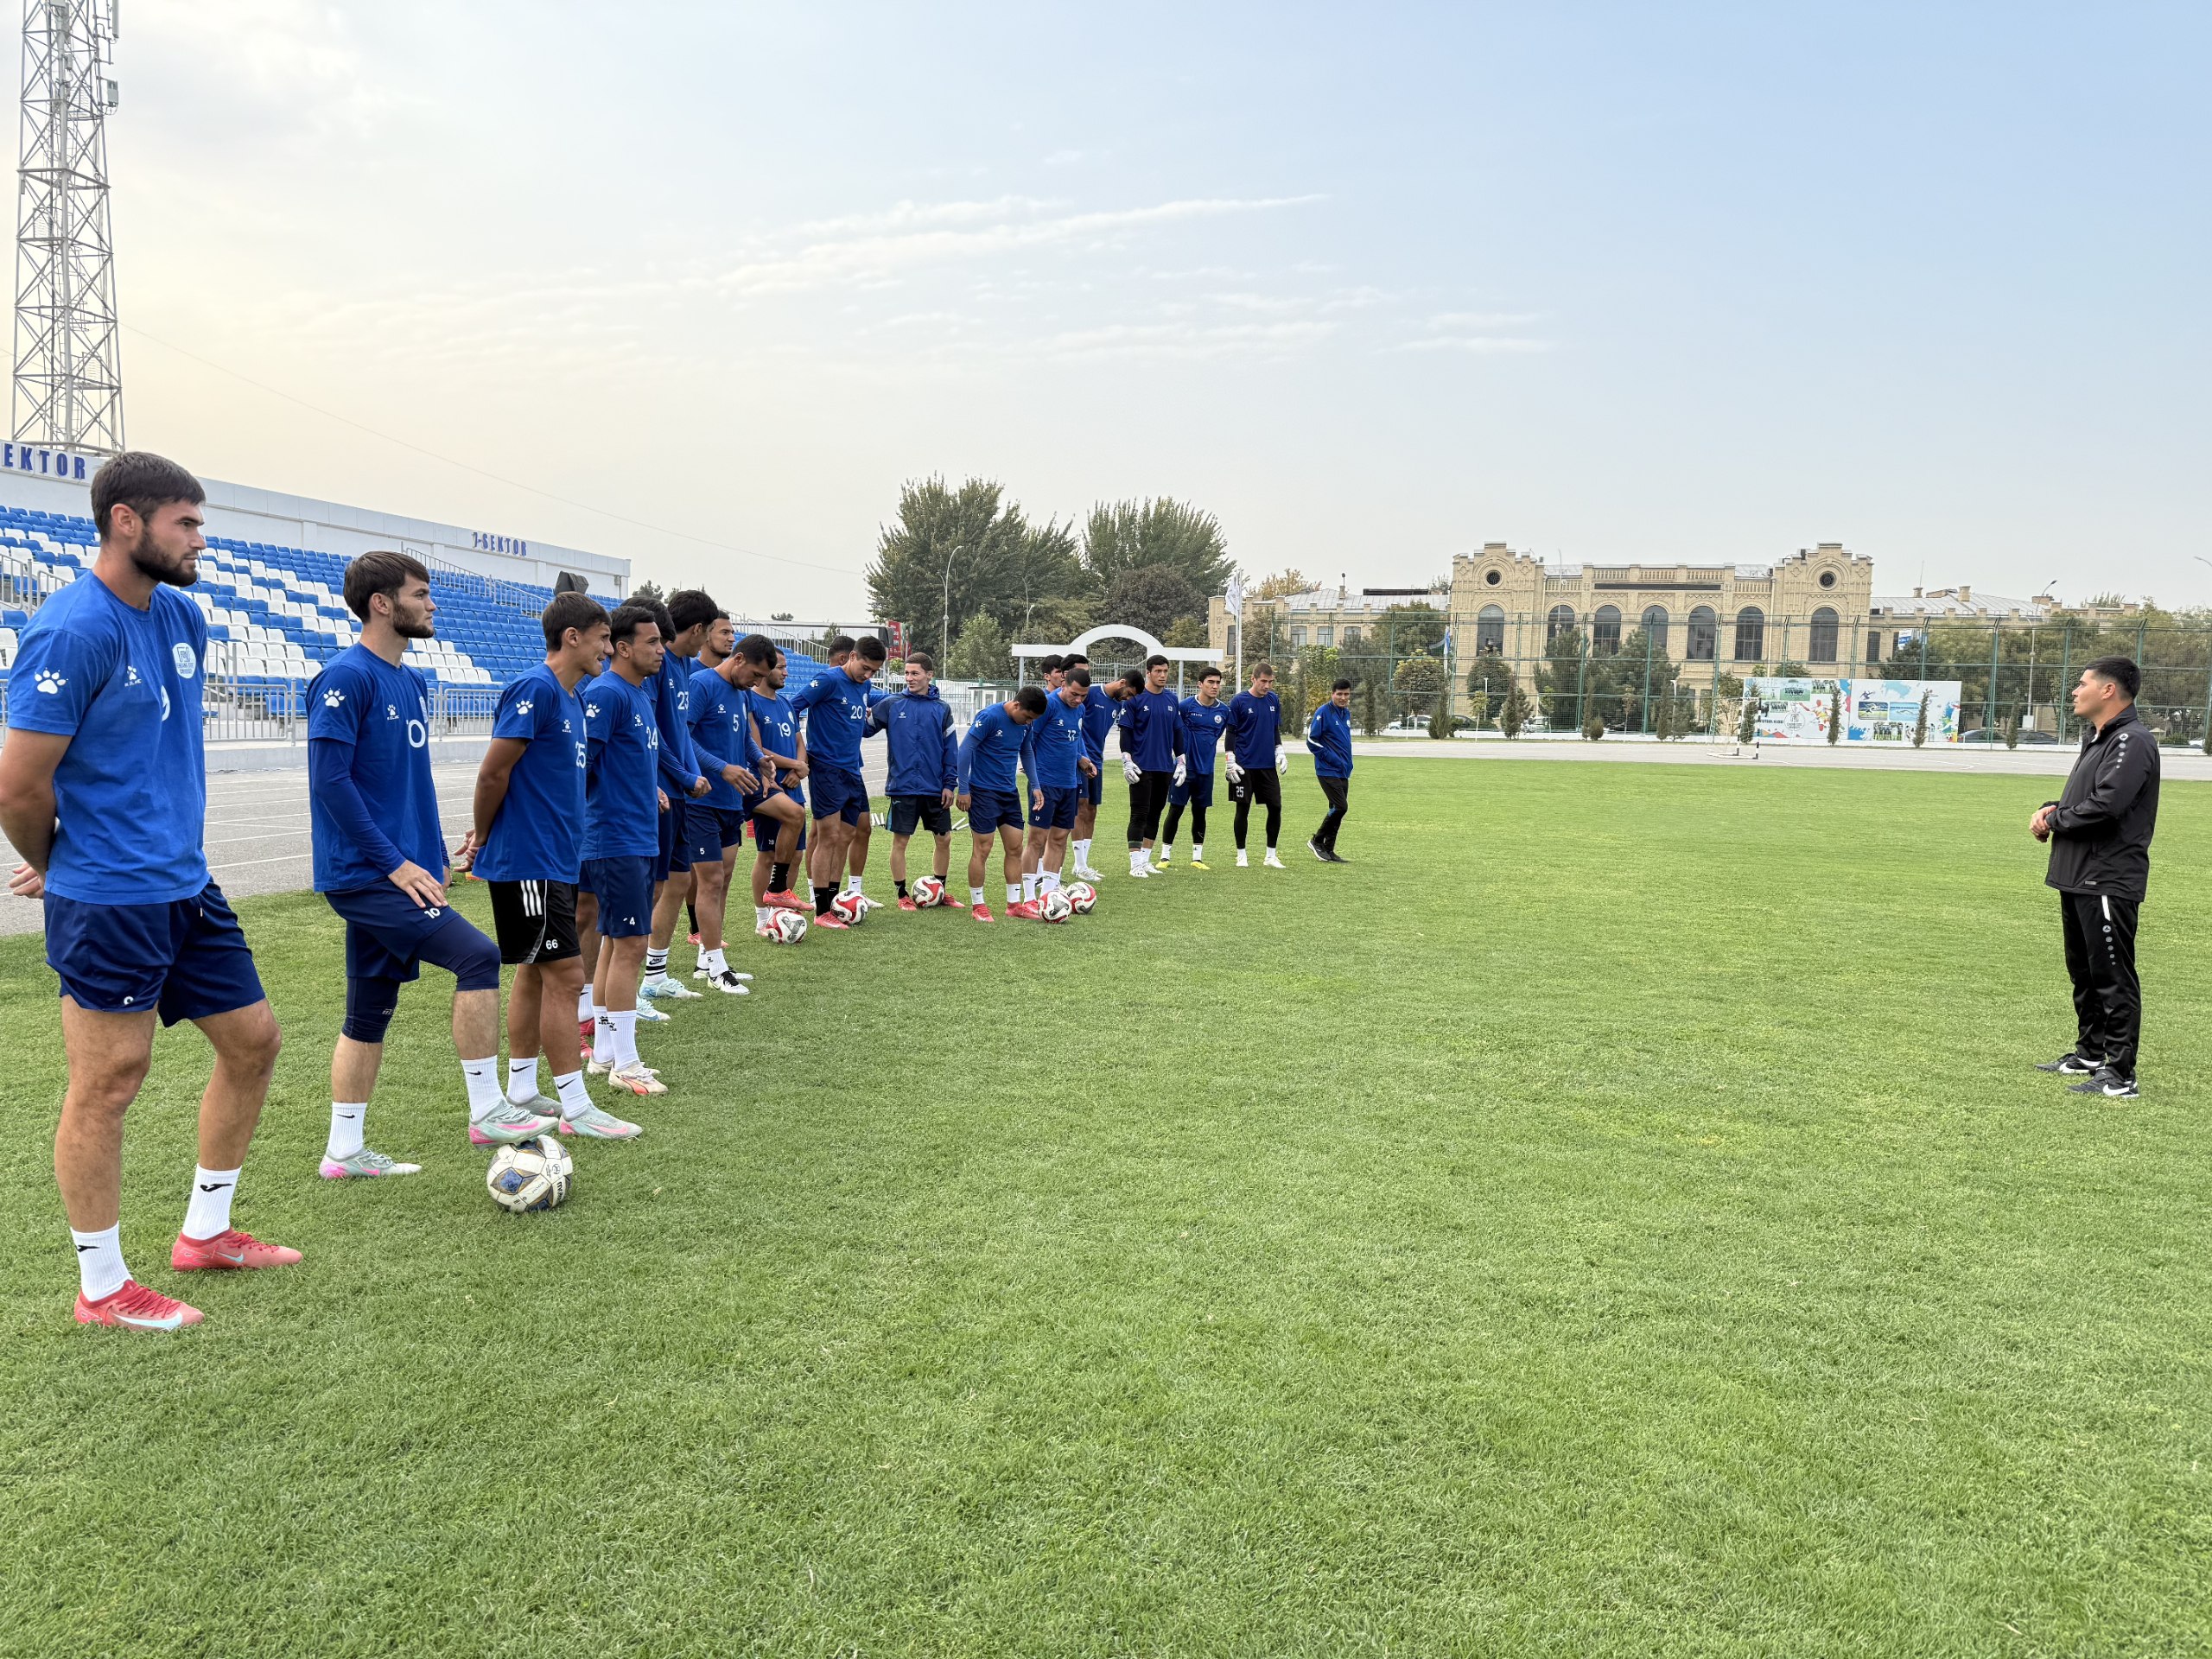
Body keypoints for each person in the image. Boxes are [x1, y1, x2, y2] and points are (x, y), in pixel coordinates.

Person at [0, 451, 292, 1331]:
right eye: (186, 524)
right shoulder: (71, 630)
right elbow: (18, 786)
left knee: (254, 1042)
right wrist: (62, 863)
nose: (200, 540)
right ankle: (102, 1288)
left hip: (184, 884)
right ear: (126, 522)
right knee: (109, 1081)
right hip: (110, 898)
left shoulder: (181, 614)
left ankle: (205, 1233)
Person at [307, 550, 556, 1179]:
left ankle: (344, 1150)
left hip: (401, 867)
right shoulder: (345, 678)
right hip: (365, 875)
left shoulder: (411, 681)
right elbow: (331, 782)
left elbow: (404, 782)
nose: (432, 604)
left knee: (368, 1010)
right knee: (477, 956)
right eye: (420, 593)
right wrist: (396, 865)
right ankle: (488, 1109)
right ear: (382, 604)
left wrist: (435, 853)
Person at [466, 591, 640, 1141]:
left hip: (556, 859)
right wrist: (484, 835)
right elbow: (493, 773)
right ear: (572, 637)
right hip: (529, 860)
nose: (608, 649)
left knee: (535, 973)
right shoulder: (536, 689)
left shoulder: (571, 698)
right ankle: (577, 1106)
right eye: (603, 639)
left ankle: (522, 1089)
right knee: (567, 976)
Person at [2031, 658, 2160, 1100]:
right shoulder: (2099, 738)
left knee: (2112, 975)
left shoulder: (2132, 740)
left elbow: (2108, 805)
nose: (2075, 690)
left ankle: (2121, 1074)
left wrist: (2055, 821)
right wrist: (2051, 809)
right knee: (2084, 972)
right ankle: (2090, 1053)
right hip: (2077, 874)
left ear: (2108, 690)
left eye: (2082, 683)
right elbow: (2087, 797)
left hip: (2106, 877)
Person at [579, 603, 672, 1096]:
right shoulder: (607, 693)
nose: (661, 650)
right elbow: (581, 765)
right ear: (623, 647)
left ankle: (606, 1055)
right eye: (652, 642)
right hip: (614, 838)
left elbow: (622, 760)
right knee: (632, 944)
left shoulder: (637, 693)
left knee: (617, 943)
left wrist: (647, 787)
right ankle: (627, 1063)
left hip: (635, 834)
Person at [683, 631, 775, 989]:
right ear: (738, 660)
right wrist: (721, 768)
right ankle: (717, 968)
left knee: (722, 880)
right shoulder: (701, 685)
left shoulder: (741, 693)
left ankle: (706, 961)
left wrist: (759, 758)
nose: (756, 682)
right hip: (701, 800)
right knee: (710, 881)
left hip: (730, 801)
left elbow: (743, 737)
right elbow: (683, 738)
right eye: (755, 674)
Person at [639, 593, 717, 1007]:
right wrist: (685, 775)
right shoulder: (655, 666)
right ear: (698, 629)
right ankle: (622, 988)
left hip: (680, 789)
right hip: (660, 791)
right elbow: (652, 735)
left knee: (678, 880)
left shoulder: (685, 665)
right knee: (649, 888)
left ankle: (655, 975)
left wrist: (693, 772)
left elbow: (680, 731)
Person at [788, 633, 890, 926]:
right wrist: (801, 753)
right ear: (852, 657)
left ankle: (834, 902)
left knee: (847, 836)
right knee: (828, 837)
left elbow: (857, 724)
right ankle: (821, 911)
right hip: (826, 769)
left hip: (851, 770)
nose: (868, 675)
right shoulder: (828, 680)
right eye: (865, 668)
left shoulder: (864, 685)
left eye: (874, 671)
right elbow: (791, 707)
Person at [873, 650, 959, 909]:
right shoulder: (892, 704)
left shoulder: (942, 708)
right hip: (903, 787)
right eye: (907, 673)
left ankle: (939, 890)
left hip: (935, 788)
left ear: (929, 675)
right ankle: (902, 895)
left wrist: (949, 784)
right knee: (901, 841)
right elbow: (863, 728)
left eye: (915, 673)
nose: (909, 678)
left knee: (944, 839)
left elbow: (951, 750)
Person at [957, 687, 1048, 919]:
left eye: (1032, 720)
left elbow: (1027, 752)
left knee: (1015, 848)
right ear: (1016, 705)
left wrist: (1035, 784)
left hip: (1009, 793)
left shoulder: (1026, 724)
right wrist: (964, 789)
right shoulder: (989, 717)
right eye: (1027, 717)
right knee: (983, 848)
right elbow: (966, 749)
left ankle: (1013, 905)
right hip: (983, 792)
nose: (1029, 722)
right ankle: (978, 906)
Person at [744, 649, 812, 935]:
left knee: (795, 855)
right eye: (780, 667)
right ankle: (762, 918)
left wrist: (799, 769)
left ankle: (779, 910)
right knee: (768, 854)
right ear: (765, 668)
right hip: (768, 786)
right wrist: (794, 765)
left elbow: (799, 742)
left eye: (785, 667)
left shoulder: (785, 703)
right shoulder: (751, 702)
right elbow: (757, 748)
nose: (786, 672)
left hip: (793, 787)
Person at [1016, 666, 1096, 911]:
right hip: (1045, 784)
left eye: (1083, 695)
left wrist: (1082, 759)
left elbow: (1076, 738)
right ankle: (1029, 898)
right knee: (1037, 840)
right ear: (1063, 685)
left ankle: (1048, 895)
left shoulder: (1080, 709)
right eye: (1074, 694)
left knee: (1059, 839)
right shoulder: (1048, 705)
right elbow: (1029, 741)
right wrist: (1034, 777)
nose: (1078, 699)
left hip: (1070, 783)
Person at [1116, 656, 1184, 878]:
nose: (1162, 675)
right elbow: (1126, 731)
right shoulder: (1135, 698)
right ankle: (1135, 864)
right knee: (1139, 813)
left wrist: (1181, 760)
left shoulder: (1172, 699)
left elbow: (1177, 732)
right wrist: (1127, 760)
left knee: (1155, 813)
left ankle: (1145, 861)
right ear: (1148, 672)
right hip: (1141, 766)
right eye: (1158, 671)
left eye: (1165, 671)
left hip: (1164, 767)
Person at [1063, 651, 1128, 880]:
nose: (1086, 678)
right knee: (1080, 808)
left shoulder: (1115, 703)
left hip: (1096, 760)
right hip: (1079, 759)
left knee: (1091, 809)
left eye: (1087, 673)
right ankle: (1077, 865)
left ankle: (1082, 864)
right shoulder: (1084, 696)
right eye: (1081, 672)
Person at [1159, 665, 1230, 869]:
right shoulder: (1185, 706)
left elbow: (1217, 735)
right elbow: (1174, 731)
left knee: (1200, 813)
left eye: (1217, 683)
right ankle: (1165, 857)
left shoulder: (1224, 711)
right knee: (1175, 810)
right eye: (1210, 682)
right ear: (1200, 684)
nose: (1215, 686)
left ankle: (1197, 858)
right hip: (1184, 769)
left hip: (1206, 771)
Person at [1226, 662, 1287, 868]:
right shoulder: (1239, 701)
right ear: (1253, 679)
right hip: (1244, 766)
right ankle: (1241, 855)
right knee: (1243, 809)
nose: (1267, 686)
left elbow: (1275, 729)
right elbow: (1231, 732)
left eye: (1270, 682)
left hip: (1267, 766)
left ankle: (1271, 856)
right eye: (1263, 681)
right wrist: (1230, 759)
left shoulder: (1273, 700)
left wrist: (1279, 750)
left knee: (1276, 807)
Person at [1306, 679, 1355, 862]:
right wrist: (1331, 758)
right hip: (1327, 770)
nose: (1343, 697)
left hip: (1342, 770)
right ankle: (1317, 840)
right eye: (1339, 694)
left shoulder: (1346, 713)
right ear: (1332, 694)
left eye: (1346, 694)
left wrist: (1347, 763)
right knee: (1341, 807)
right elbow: (1312, 741)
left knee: (1336, 810)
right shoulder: (1323, 712)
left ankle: (1329, 849)